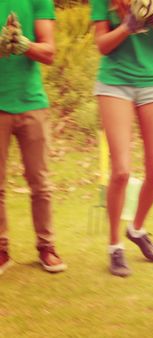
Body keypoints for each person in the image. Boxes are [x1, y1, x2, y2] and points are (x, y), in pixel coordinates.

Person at [89, 0, 153, 277]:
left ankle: (135, 228)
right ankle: (114, 246)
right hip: (115, 83)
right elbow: (102, 45)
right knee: (120, 171)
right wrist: (127, 27)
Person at [0, 1, 66, 275]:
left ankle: (46, 247)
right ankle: (1, 249)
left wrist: (23, 44)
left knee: (40, 182)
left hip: (31, 102)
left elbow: (49, 52)